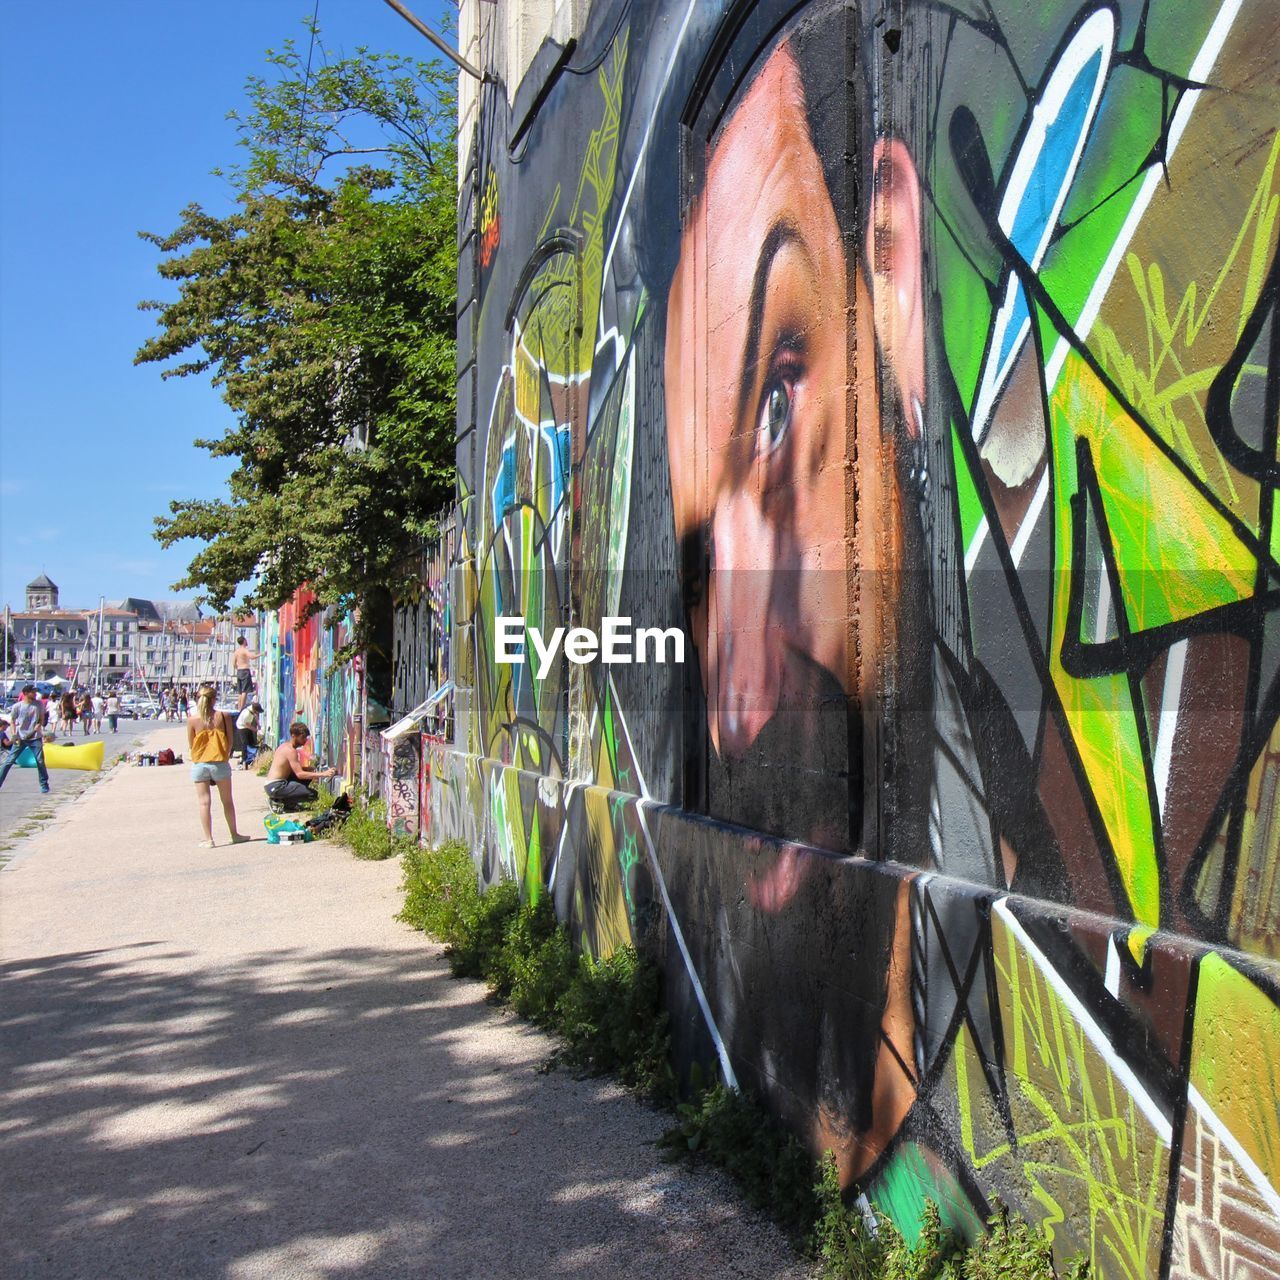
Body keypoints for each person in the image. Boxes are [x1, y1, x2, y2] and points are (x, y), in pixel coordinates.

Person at [186, 683, 248, 848]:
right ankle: (234, 834)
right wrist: (225, 756)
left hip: (200, 763)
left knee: (204, 803)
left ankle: (209, 839)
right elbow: (230, 742)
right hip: (219, 762)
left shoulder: (192, 720)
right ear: (214, 700)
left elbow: (191, 744)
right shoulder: (223, 716)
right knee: (227, 801)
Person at [264, 721, 337, 809]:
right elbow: (300, 774)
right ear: (293, 736)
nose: (305, 740)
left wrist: (308, 769)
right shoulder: (291, 751)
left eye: (306, 737)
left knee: (307, 775)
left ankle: (288, 804)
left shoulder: (284, 746)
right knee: (312, 794)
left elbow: (290, 769)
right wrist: (323, 774)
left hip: (273, 785)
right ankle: (279, 801)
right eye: (303, 737)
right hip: (277, 787)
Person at [0, 685, 50, 793]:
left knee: (40, 761)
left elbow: (41, 719)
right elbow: (12, 721)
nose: (36, 694)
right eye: (33, 692)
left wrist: (39, 725)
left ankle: (44, 784)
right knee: (9, 761)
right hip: (20, 737)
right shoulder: (17, 706)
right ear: (26, 693)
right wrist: (14, 735)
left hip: (35, 737)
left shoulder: (39, 704)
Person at [233, 636, 259, 711]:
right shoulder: (244, 650)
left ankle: (239, 708)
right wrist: (261, 654)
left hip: (239, 671)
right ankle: (241, 708)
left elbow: (233, 663)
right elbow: (252, 657)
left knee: (240, 692)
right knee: (245, 691)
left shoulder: (236, 651)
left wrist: (237, 668)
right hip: (245, 670)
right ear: (244, 641)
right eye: (246, 640)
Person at [235, 701, 263, 768]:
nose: (258, 712)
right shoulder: (247, 713)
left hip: (247, 725)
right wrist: (255, 730)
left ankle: (251, 757)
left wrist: (258, 724)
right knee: (245, 743)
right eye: (257, 711)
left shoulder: (252, 711)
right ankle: (244, 759)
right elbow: (247, 725)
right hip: (242, 727)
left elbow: (255, 716)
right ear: (254, 710)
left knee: (252, 742)